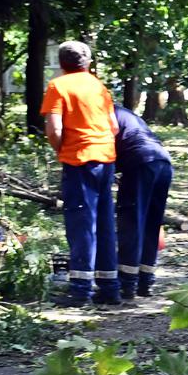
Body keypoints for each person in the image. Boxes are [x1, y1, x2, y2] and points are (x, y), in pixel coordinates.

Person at [42, 41, 120, 306]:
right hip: (105, 158)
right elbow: (114, 127)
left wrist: (62, 149)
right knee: (105, 220)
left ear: (62, 63)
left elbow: (54, 130)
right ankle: (110, 287)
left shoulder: (58, 86)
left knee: (81, 222)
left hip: (78, 160)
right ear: (88, 62)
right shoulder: (99, 86)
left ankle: (80, 291)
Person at [112, 104, 173, 299]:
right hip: (163, 161)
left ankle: (127, 284)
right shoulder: (124, 113)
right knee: (151, 224)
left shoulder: (101, 112)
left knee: (131, 221)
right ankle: (146, 282)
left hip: (140, 161)